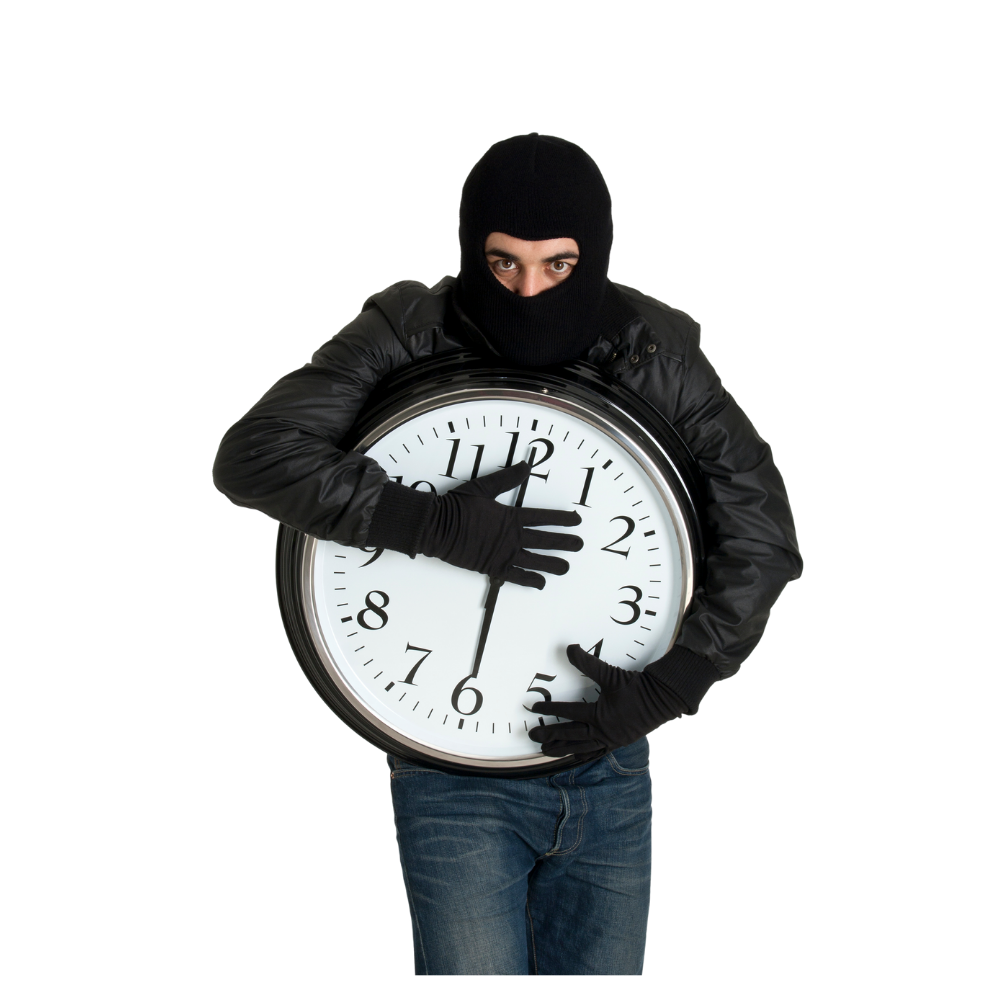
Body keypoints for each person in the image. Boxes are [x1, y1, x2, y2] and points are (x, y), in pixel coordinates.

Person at [213, 133, 802, 975]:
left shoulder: (651, 350)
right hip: (450, 784)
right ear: (470, 250)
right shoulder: (409, 329)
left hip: (607, 763)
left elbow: (761, 532)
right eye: (503, 263)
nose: (528, 290)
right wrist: (437, 526)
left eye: (559, 265)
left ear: (593, 254)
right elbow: (255, 455)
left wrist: (676, 681)